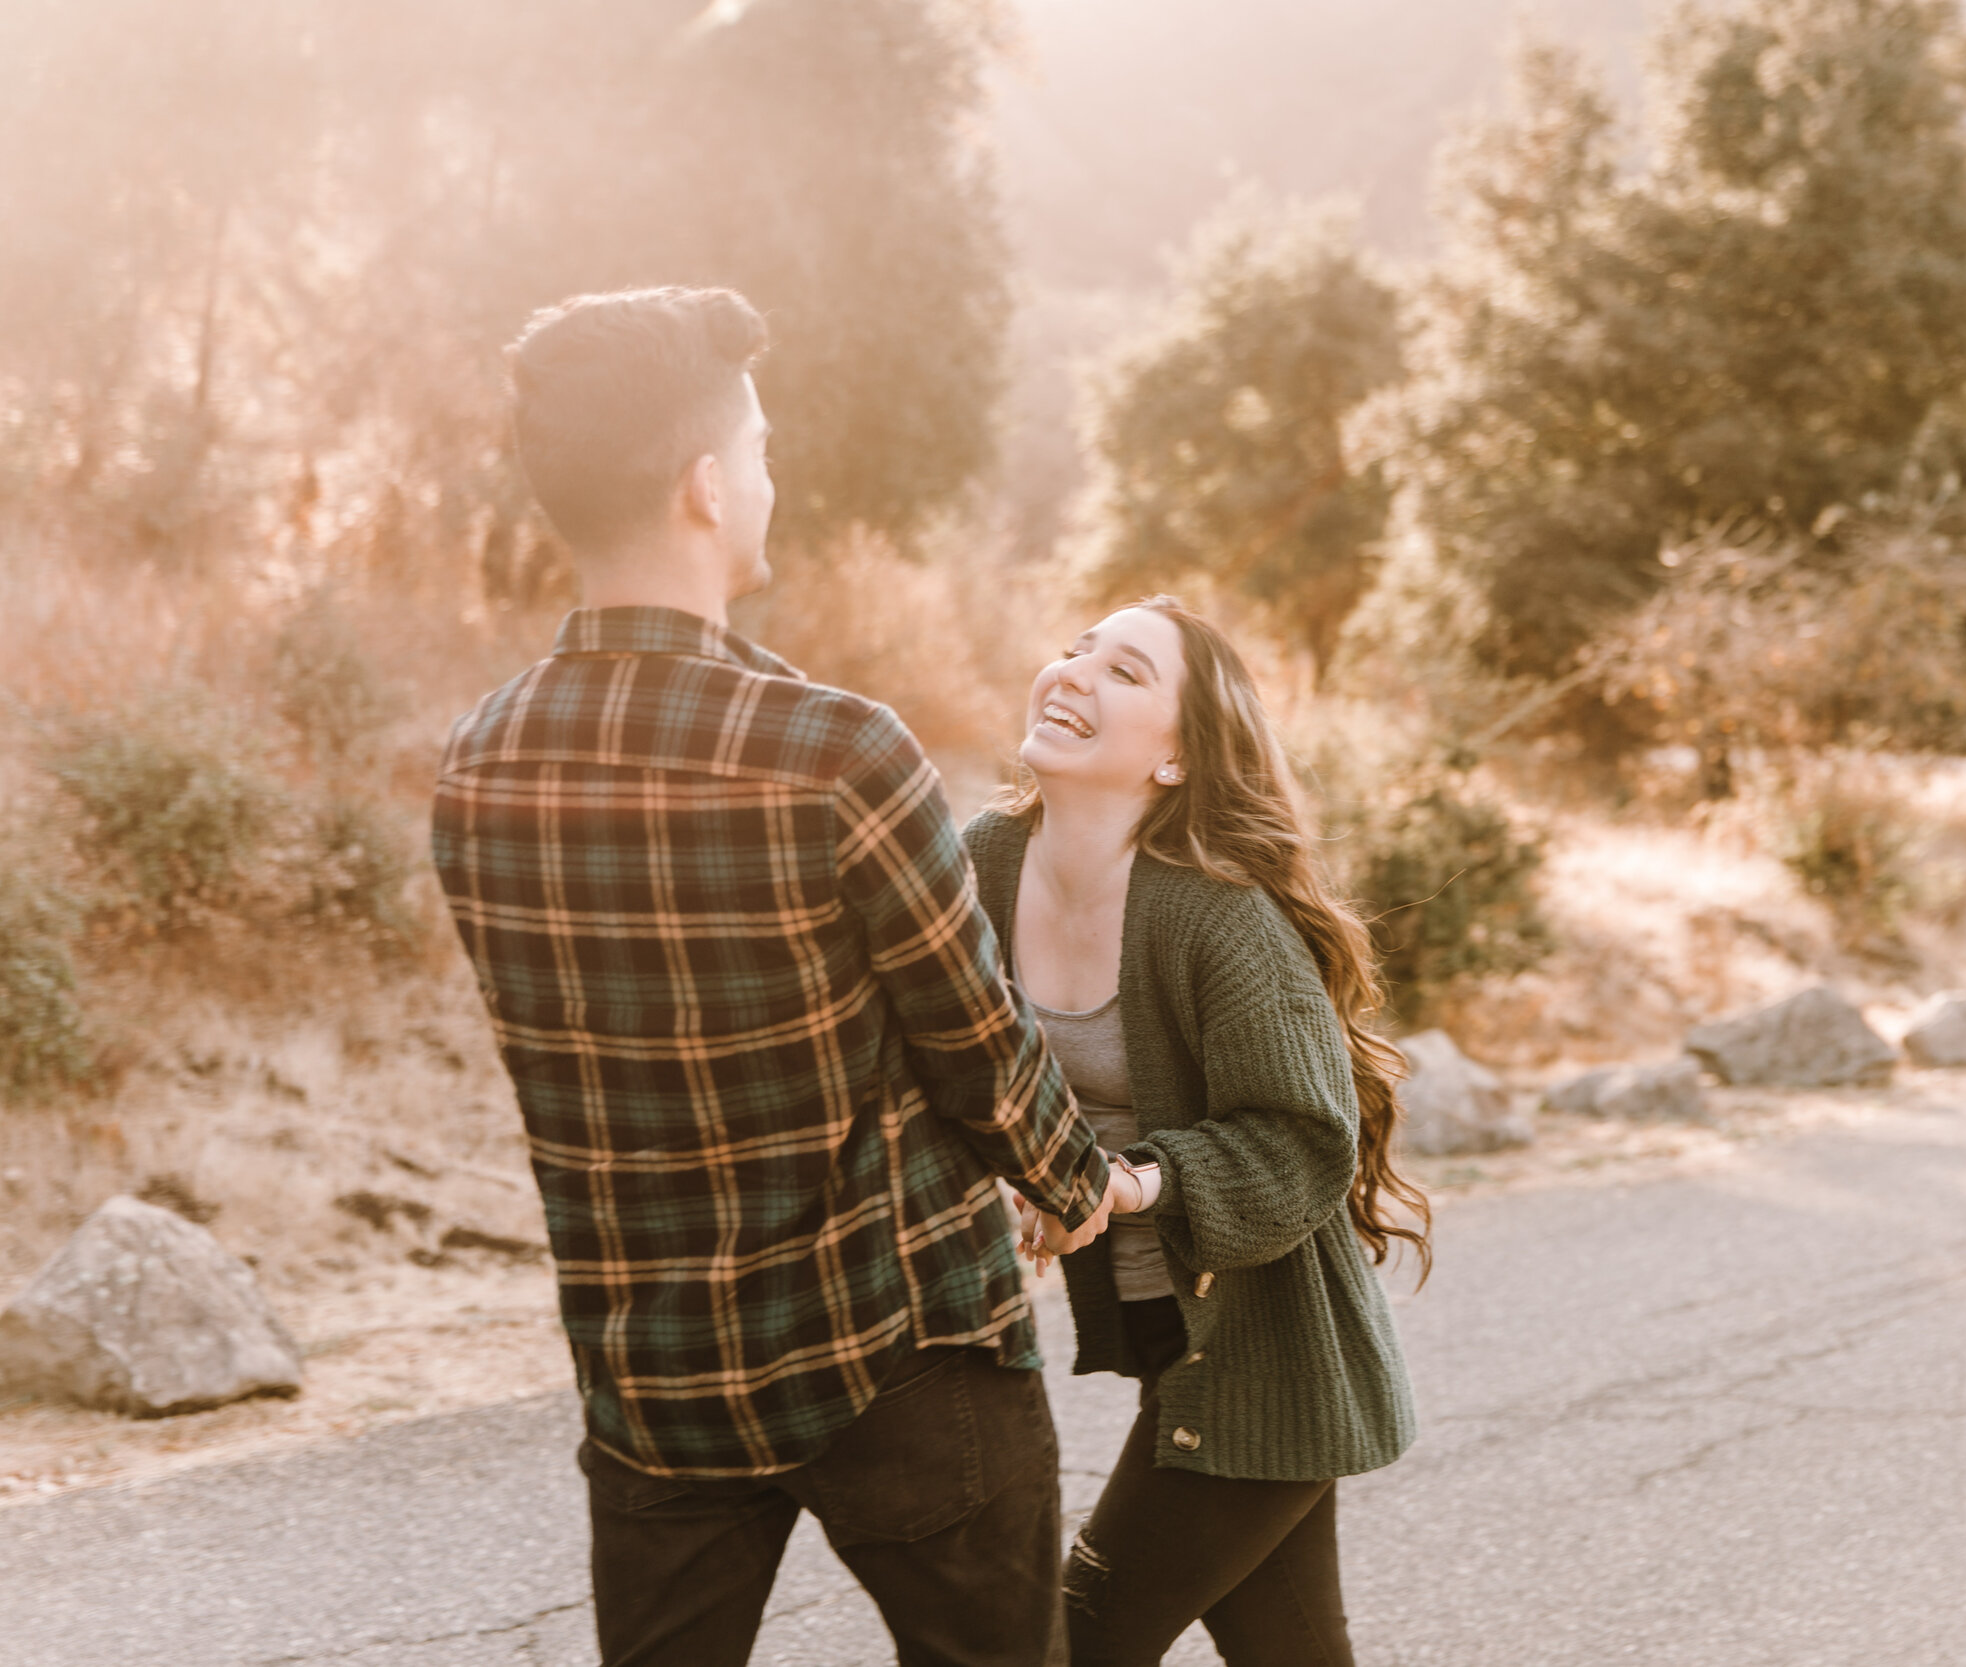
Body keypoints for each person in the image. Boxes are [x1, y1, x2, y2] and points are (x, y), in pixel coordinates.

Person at [430, 286, 1115, 1667]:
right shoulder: (834, 750)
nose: (769, 477)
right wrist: (1080, 1182)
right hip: (901, 1347)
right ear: (701, 485)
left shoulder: (478, 762)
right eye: (756, 448)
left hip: (656, 1381)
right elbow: (977, 1047)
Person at [966, 596, 1429, 1667]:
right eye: (1075, 649)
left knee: (1074, 1642)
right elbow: (940, 1056)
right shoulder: (983, 858)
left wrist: (1121, 1184)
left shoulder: (1217, 915)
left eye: (1124, 671)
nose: (1073, 671)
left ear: (1176, 759)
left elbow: (1304, 1139)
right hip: (1172, 1339)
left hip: (1268, 1356)